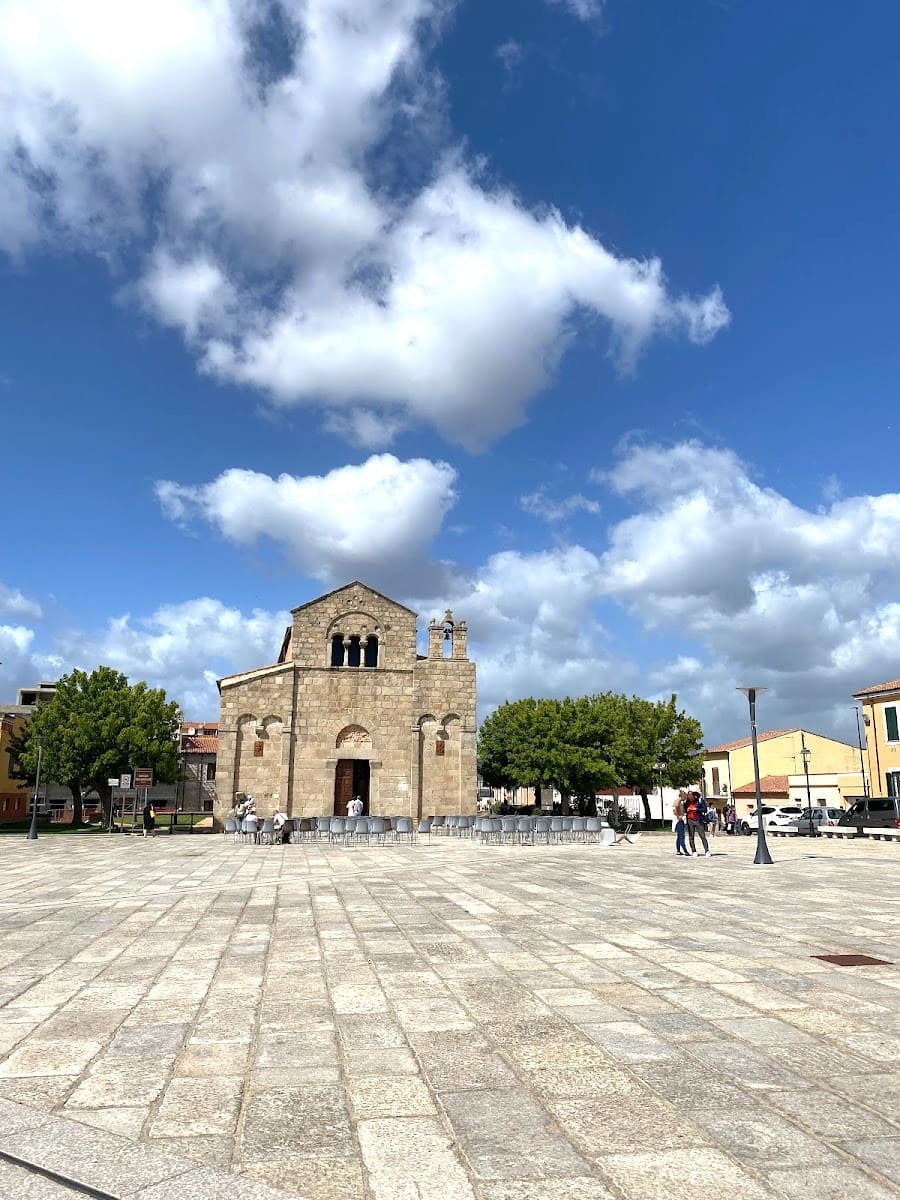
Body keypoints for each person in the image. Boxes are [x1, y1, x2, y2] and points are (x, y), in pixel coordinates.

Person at [685, 788, 710, 856]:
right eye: (689, 796)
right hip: (690, 820)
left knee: (702, 836)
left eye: (691, 796)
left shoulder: (699, 801)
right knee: (691, 836)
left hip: (698, 819)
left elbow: (704, 809)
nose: (690, 798)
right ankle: (694, 851)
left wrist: (697, 809)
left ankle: (707, 851)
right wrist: (686, 810)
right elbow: (684, 809)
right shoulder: (687, 802)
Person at [673, 791, 689, 857]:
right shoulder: (678, 801)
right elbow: (675, 807)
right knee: (681, 836)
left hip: (679, 819)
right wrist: (678, 816)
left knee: (679, 837)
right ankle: (685, 851)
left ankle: (678, 850)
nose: (686, 797)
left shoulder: (679, 802)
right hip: (679, 820)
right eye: (685, 796)